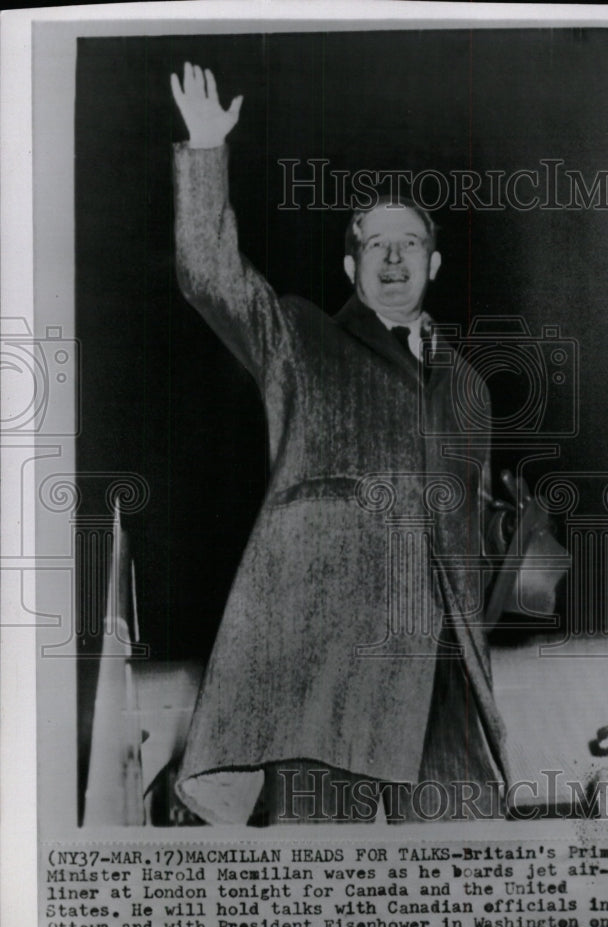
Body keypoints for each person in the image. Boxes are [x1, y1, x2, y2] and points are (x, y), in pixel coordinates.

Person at [170, 62, 509, 824]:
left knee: (464, 872)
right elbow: (212, 277)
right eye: (377, 245)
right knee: (323, 870)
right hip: (328, 660)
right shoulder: (299, 336)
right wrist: (204, 148)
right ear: (352, 266)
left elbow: (472, 524)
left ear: (434, 263)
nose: (394, 259)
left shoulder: (467, 387)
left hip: (442, 669)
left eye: (411, 244)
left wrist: (512, 541)